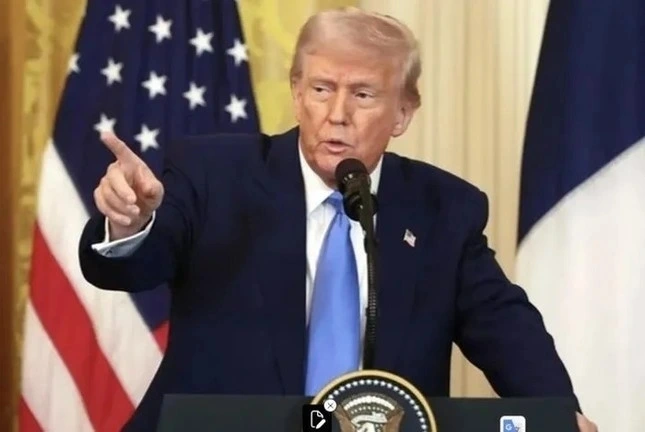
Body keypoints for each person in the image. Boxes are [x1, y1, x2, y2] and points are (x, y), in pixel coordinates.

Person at [78, 7, 597, 432]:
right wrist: (129, 224)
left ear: (403, 113)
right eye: (322, 89)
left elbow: (507, 330)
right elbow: (130, 268)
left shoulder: (443, 209)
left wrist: (560, 416)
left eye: (363, 94)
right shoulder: (215, 174)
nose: (338, 113)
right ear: (297, 93)